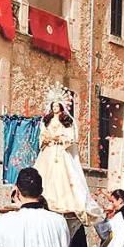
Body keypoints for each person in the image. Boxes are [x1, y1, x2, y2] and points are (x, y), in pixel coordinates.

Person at [33, 87, 102, 223]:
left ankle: (61, 200)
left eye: (57, 106)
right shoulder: (46, 120)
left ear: (61, 107)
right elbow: (42, 134)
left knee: (61, 176)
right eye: (53, 106)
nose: (55, 108)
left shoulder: (66, 120)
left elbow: (71, 137)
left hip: (60, 151)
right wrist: (46, 139)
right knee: (45, 175)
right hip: (48, 151)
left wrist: (60, 138)